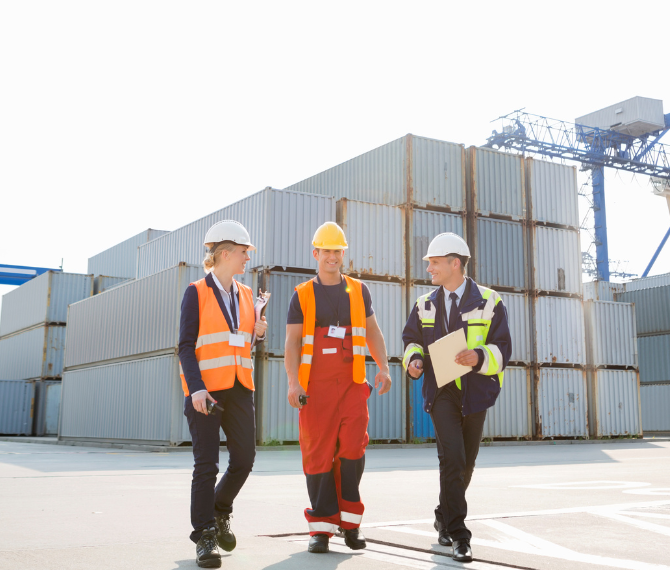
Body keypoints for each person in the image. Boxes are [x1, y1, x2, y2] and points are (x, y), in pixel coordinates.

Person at [401, 232, 511, 563]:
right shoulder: (424, 305)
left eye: (434, 262)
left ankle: (442, 513)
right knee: (452, 457)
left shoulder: (490, 301)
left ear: (455, 264)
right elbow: (410, 340)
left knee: (466, 462)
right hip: (441, 391)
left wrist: (478, 356)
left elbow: (503, 348)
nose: (429, 268)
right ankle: (458, 535)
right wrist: (414, 361)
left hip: (475, 392)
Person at [284, 221, 392, 554]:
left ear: (343, 253)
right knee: (317, 453)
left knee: (352, 451)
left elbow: (373, 332)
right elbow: (291, 341)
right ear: (315, 253)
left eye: (337, 251)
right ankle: (321, 529)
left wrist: (385, 367)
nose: (332, 257)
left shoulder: (359, 290)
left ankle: (350, 524)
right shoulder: (302, 294)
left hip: (352, 383)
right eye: (326, 251)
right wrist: (292, 382)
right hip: (314, 388)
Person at [177, 220, 267, 568]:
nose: (248, 259)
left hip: (241, 388)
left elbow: (241, 340)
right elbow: (186, 346)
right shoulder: (196, 292)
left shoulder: (246, 295)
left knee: (244, 459)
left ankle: (219, 509)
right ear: (225, 253)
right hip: (207, 393)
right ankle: (205, 536)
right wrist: (196, 388)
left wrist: (258, 333)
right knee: (206, 465)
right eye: (245, 253)